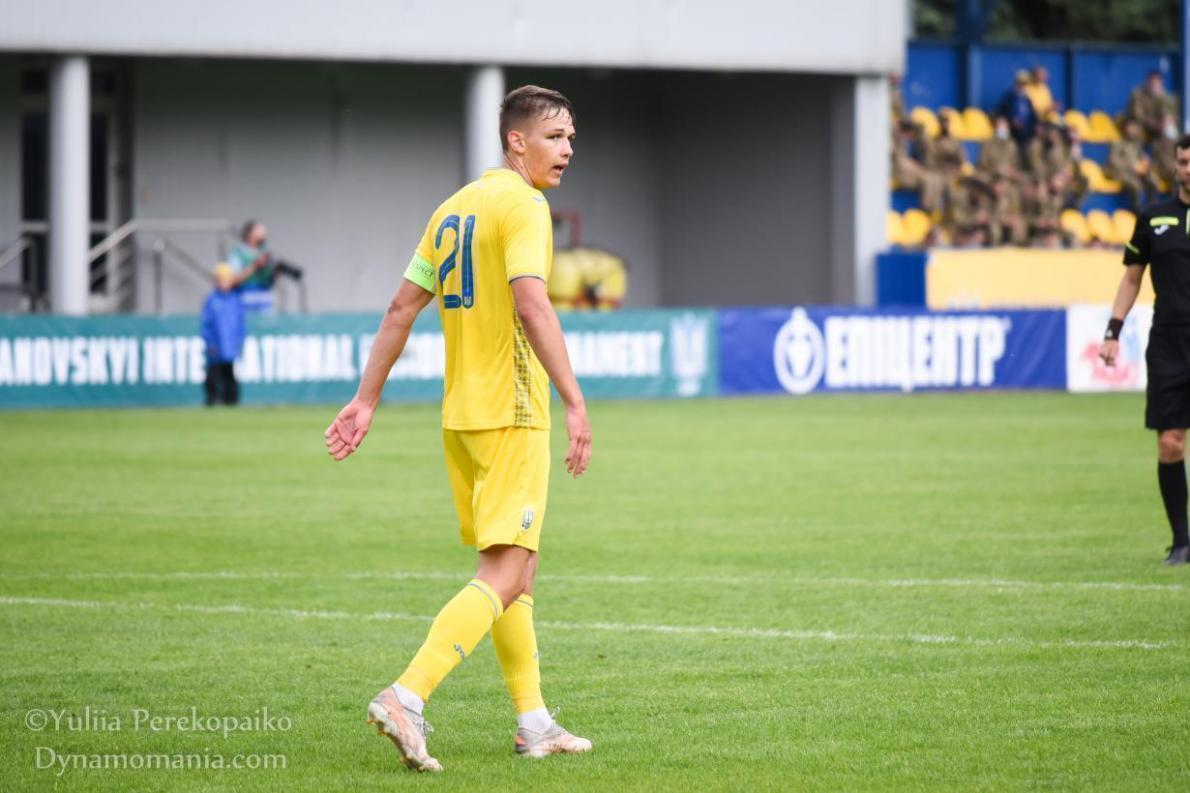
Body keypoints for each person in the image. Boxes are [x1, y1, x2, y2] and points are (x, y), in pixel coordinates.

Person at [324, 85, 594, 772]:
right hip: (512, 410)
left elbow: (400, 307)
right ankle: (406, 695)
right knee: (505, 571)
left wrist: (365, 400)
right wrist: (574, 399)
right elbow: (532, 305)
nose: (567, 148)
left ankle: (534, 722)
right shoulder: (524, 205)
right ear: (516, 142)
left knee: (518, 571)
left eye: (570, 136)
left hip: (462, 417)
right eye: (555, 136)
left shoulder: (452, 210)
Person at [1100, 133, 1190, 566]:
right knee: (1170, 443)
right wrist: (1112, 331)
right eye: (1184, 162)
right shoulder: (1153, 217)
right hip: (1169, 341)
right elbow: (1131, 279)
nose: (1189, 169)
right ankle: (1182, 542)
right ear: (1175, 166)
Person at [200, 263, 245, 406]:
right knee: (213, 373)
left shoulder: (235, 300)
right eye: (221, 279)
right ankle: (212, 400)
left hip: (231, 346)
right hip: (215, 345)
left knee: (230, 374)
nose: (224, 283)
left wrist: (240, 341)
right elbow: (206, 324)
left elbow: (240, 324)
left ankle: (231, 401)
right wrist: (209, 342)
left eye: (226, 279)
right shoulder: (212, 300)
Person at [228, 220, 276, 312]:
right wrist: (255, 266)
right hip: (244, 298)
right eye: (259, 231)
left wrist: (275, 272)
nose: (264, 234)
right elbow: (233, 280)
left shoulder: (265, 252)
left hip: (264, 299)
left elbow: (269, 281)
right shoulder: (238, 254)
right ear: (249, 234)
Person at [1107, 118, 1151, 211]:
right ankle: (1136, 209)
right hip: (1119, 172)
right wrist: (1132, 165)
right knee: (1135, 185)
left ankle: (1151, 207)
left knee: (1152, 180)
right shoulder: (1117, 143)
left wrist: (1144, 160)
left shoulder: (1136, 144)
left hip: (1133, 172)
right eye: (1130, 127)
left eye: (1134, 127)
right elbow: (1113, 161)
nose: (1132, 130)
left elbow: (1141, 156)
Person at [1126, 70, 1179, 144]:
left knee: (1170, 130)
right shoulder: (1137, 94)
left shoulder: (1167, 98)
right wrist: (1155, 124)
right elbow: (1137, 116)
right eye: (1152, 82)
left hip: (1159, 127)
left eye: (1157, 83)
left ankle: (1168, 150)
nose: (1154, 85)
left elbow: (1170, 115)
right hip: (1143, 126)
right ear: (1147, 82)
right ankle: (1135, 150)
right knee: (1132, 128)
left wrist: (1167, 120)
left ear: (1161, 83)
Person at [995, 70, 1038, 147]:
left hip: (1026, 128)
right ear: (1016, 83)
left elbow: (1033, 116)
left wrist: (1036, 124)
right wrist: (1012, 120)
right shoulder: (1009, 97)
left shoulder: (1027, 100)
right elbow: (1001, 112)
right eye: (1021, 83)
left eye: (1025, 84)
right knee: (1002, 125)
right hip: (1012, 127)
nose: (1023, 86)